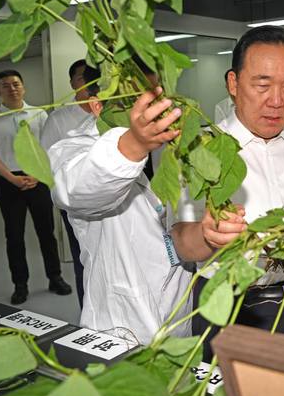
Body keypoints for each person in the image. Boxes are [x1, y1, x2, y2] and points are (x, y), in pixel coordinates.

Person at [170, 26, 284, 360]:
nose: (277, 101)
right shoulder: (201, 147)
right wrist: (208, 235)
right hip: (231, 306)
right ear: (233, 84)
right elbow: (182, 242)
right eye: (262, 85)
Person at [47, 65, 192, 344]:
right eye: (132, 100)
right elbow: (75, 190)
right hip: (119, 323)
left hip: (178, 313)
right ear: (97, 105)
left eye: (153, 99)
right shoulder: (75, 149)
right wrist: (133, 145)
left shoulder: (176, 147)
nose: (146, 110)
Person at [0, 70, 71, 305]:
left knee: (46, 233)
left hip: (37, 180)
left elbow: (49, 148)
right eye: (6, 85)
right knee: (14, 236)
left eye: (16, 84)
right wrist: (13, 178)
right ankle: (20, 285)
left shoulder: (39, 114)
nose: (12, 89)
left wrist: (37, 175)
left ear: (23, 87)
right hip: (9, 182)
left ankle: (55, 277)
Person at [41, 59, 91, 306]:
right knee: (83, 259)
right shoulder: (58, 119)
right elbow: (46, 163)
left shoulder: (112, 114)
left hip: (114, 202)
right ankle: (87, 315)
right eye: (82, 78)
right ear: (72, 83)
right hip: (75, 205)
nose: (88, 83)